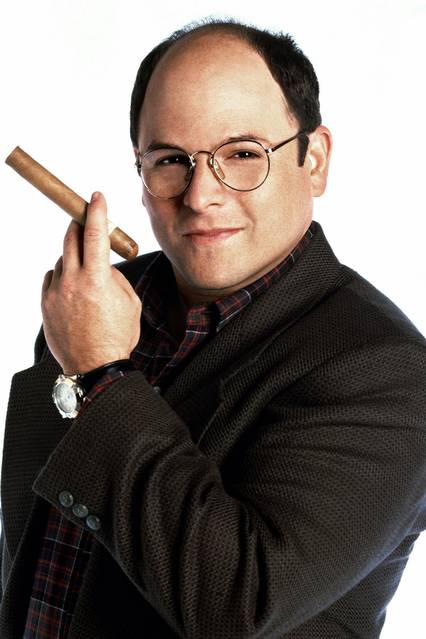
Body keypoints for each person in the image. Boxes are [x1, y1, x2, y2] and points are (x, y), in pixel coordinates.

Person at [1, 16, 425, 639]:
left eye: (243, 154)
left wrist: (100, 373)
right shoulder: (92, 305)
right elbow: (37, 558)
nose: (201, 195)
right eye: (171, 160)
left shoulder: (386, 370)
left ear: (314, 160)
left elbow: (234, 607)